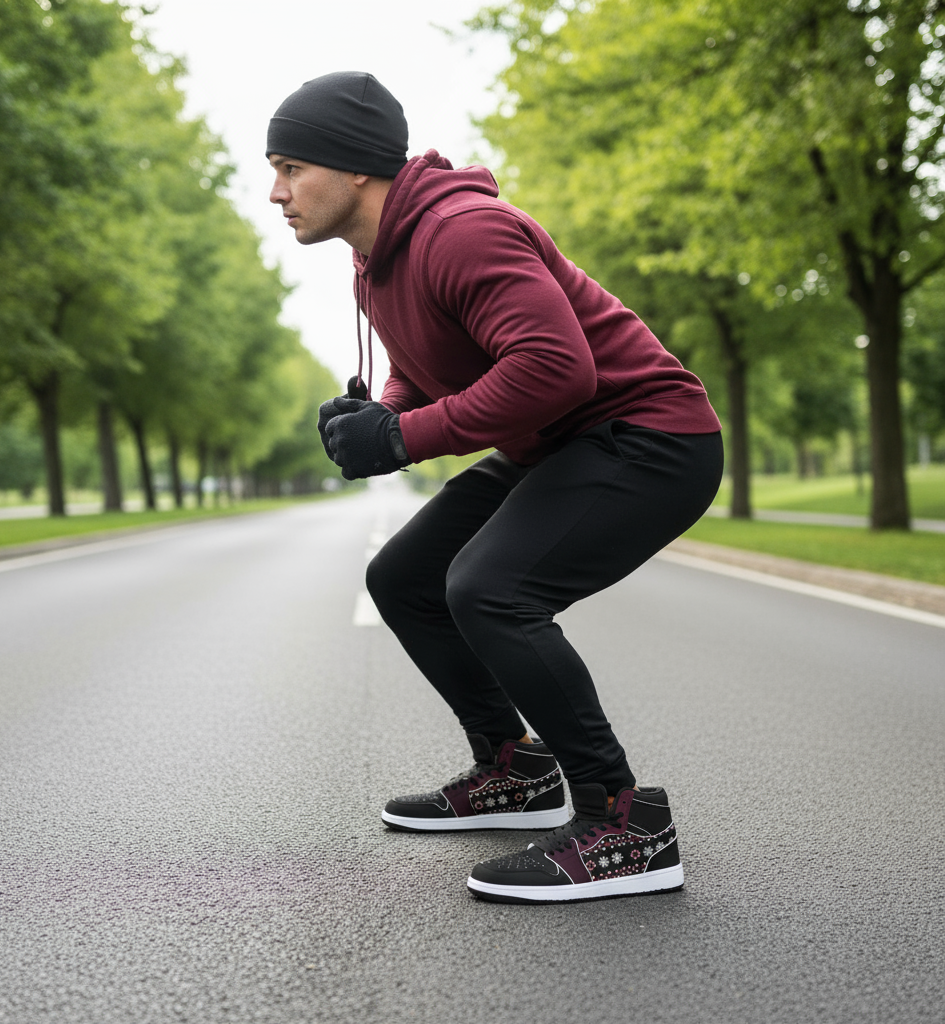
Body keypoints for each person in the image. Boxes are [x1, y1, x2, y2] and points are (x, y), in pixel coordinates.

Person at [267, 71, 723, 904]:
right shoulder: (375, 260)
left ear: (356, 167)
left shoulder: (462, 232)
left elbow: (555, 368)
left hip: (650, 436)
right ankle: (515, 770)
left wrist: (403, 437)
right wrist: (384, 416)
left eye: (292, 168)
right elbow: (421, 364)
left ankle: (626, 825)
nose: (277, 192)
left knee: (491, 590)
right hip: (555, 443)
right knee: (403, 578)